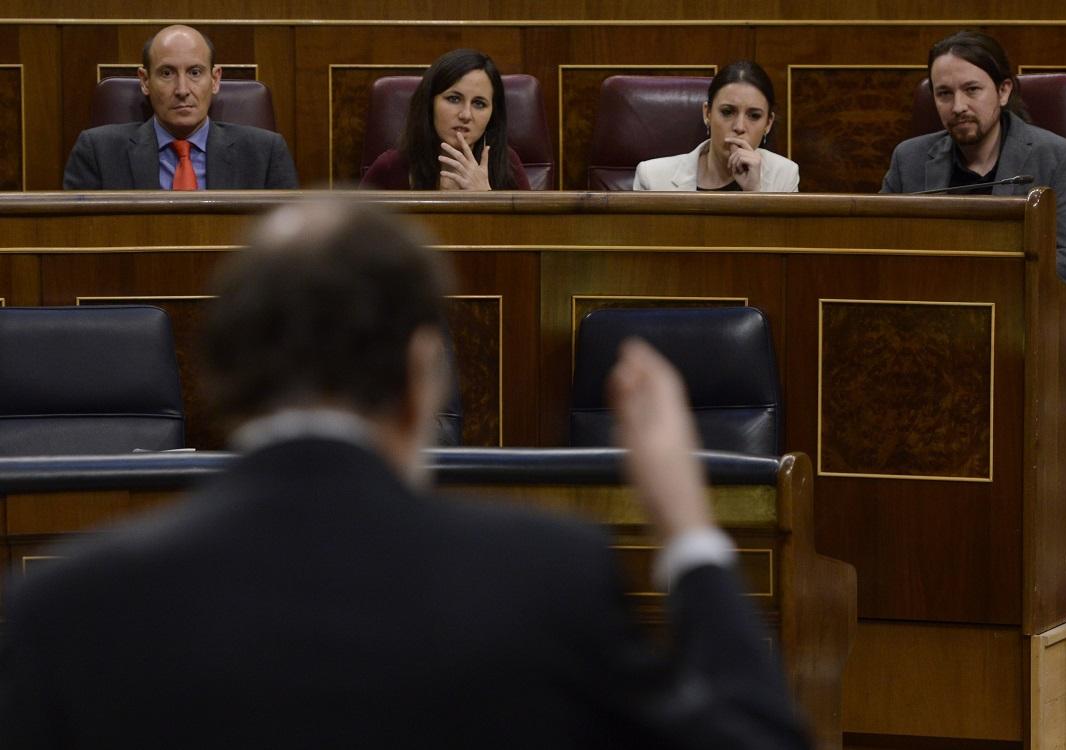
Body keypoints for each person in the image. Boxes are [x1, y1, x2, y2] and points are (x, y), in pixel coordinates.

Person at [0, 201, 807, 748]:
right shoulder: (548, 583)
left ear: (219, 377)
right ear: (424, 376)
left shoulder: (65, 609)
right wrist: (689, 535)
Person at [880, 30, 1066, 286]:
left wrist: (974, 275)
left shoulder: (1056, 156)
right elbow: (880, 246)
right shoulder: (908, 158)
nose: (958, 106)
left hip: (1014, 312)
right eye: (944, 93)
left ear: (1003, 91)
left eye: (972, 90)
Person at [62, 24, 298, 191]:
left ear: (215, 80)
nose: (182, 89)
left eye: (195, 72)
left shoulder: (265, 153)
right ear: (145, 81)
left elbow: (286, 250)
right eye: (167, 73)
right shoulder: (97, 152)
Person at [361, 49, 530, 190]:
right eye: (454, 99)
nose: (465, 115)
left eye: (479, 103)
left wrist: (485, 197)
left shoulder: (507, 164)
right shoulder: (391, 167)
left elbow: (530, 230)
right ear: (429, 103)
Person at [633, 61, 799, 193]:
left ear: (768, 124)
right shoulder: (653, 178)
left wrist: (753, 193)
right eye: (727, 112)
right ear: (707, 114)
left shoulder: (784, 175)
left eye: (754, 116)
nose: (739, 127)